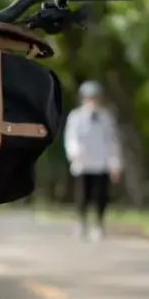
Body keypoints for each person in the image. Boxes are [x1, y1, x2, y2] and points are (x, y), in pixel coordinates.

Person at [63, 80, 122, 240]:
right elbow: (71, 137)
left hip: (101, 162)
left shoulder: (106, 117)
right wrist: (74, 152)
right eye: (89, 97)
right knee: (83, 195)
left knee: (101, 196)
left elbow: (112, 141)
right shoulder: (76, 116)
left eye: (95, 97)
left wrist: (115, 162)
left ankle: (98, 224)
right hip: (82, 162)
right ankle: (81, 222)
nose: (92, 101)